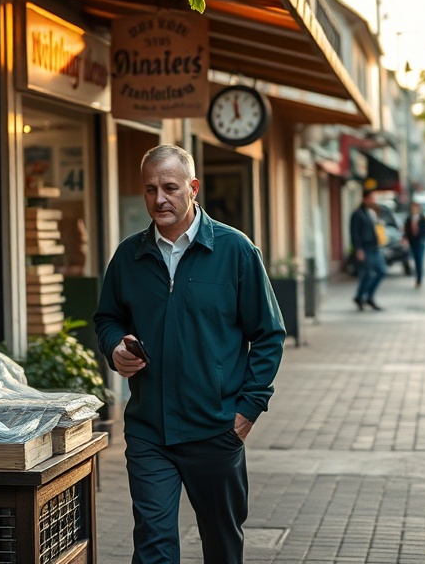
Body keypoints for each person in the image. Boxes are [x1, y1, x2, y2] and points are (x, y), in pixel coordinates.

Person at [94, 144, 284, 564]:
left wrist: (248, 409)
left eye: (169, 187)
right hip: (149, 430)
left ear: (193, 188)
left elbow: (268, 334)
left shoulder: (235, 251)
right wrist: (114, 347)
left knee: (221, 545)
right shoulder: (129, 255)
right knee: (154, 547)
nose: (159, 199)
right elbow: (107, 318)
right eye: (149, 189)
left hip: (216, 428)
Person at [350, 188, 387, 310]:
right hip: (365, 248)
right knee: (368, 274)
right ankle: (362, 297)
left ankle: (365, 296)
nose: (373, 200)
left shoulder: (371, 212)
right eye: (371, 198)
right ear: (365, 199)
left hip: (375, 248)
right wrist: (358, 249)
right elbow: (354, 233)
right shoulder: (357, 214)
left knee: (381, 271)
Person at [402, 200, 425, 287]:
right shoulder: (409, 218)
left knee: (419, 261)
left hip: (420, 242)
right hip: (412, 242)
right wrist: (405, 238)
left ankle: (419, 279)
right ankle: (413, 275)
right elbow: (406, 230)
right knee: (413, 259)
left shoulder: (423, 218)